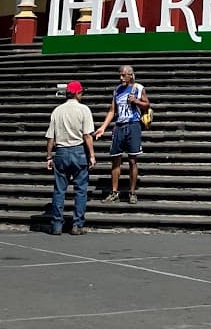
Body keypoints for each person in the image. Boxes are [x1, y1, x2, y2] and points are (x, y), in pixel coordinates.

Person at [44, 79, 95, 235]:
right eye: (81, 93)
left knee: (59, 190)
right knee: (80, 190)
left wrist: (49, 156)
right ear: (77, 93)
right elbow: (87, 135)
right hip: (78, 151)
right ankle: (77, 225)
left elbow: (50, 137)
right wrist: (92, 155)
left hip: (61, 152)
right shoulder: (84, 109)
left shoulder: (57, 111)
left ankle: (56, 225)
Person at [94, 63, 149, 205]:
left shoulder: (138, 88)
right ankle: (114, 192)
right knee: (115, 159)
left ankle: (132, 192)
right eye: (120, 75)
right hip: (119, 126)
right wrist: (103, 127)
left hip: (133, 125)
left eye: (124, 75)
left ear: (131, 75)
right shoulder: (117, 90)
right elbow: (112, 110)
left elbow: (147, 104)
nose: (121, 78)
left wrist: (136, 101)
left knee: (132, 160)